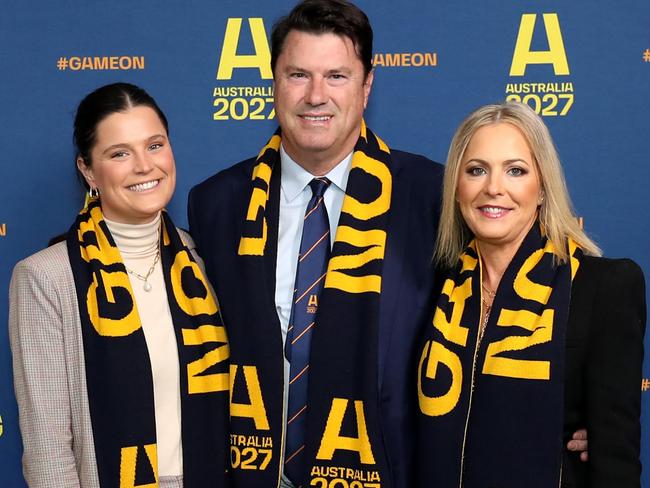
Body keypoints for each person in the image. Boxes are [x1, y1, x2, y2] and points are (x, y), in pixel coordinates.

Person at [188, 1, 443, 486]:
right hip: (252, 472)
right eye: (298, 75)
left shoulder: (430, 196)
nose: (316, 96)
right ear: (274, 83)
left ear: (367, 87)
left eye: (337, 77)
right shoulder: (217, 204)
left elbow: (490, 312)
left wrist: (569, 407)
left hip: (385, 472)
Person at [9, 83, 229, 488]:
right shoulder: (47, 278)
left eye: (155, 145)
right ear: (88, 170)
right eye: (120, 153)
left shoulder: (203, 259)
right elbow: (47, 447)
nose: (145, 166)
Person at [416, 101, 645, 487]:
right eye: (476, 170)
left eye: (515, 171)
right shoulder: (431, 285)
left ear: (542, 189)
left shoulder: (604, 286)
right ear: (456, 188)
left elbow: (615, 462)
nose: (493, 188)